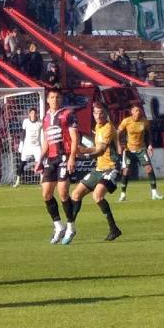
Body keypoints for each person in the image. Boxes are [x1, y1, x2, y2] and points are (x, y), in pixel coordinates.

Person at [66, 102, 123, 243]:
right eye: (96, 113)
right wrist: (84, 149)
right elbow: (96, 147)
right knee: (75, 194)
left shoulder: (108, 128)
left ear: (106, 113)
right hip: (99, 168)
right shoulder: (98, 127)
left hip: (111, 168)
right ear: (93, 114)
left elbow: (101, 150)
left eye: (102, 113)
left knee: (97, 195)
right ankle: (70, 228)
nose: (99, 116)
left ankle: (113, 228)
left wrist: (84, 154)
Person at [36, 90, 79, 244]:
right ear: (47, 100)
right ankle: (58, 226)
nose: (55, 100)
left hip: (64, 157)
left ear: (61, 99)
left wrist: (72, 157)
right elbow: (47, 141)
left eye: (58, 97)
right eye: (52, 97)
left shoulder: (68, 114)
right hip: (50, 159)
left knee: (63, 193)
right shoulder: (46, 118)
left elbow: (75, 138)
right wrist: (40, 159)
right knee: (46, 194)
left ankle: (71, 227)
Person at [117, 104, 164, 201]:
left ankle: (154, 193)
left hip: (141, 149)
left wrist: (150, 145)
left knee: (149, 168)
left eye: (140, 110)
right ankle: (123, 194)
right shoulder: (126, 121)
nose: (139, 112)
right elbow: (118, 133)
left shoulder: (144, 121)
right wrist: (120, 145)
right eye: (137, 110)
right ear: (132, 112)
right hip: (129, 150)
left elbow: (148, 135)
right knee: (126, 171)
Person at [14, 108, 42, 188]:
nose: (33, 115)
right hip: (27, 146)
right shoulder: (25, 121)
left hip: (37, 146)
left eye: (35, 113)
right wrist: (21, 144)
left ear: (36, 114)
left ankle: (42, 180)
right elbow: (23, 133)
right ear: (29, 114)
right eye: (32, 113)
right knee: (22, 163)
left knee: (40, 163)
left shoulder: (40, 122)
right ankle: (17, 181)